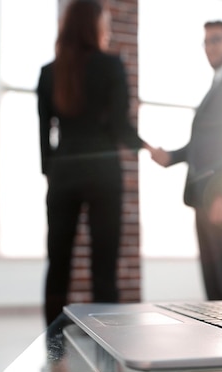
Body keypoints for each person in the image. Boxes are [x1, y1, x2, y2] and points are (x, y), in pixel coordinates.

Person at [37, 0, 153, 327]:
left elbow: (44, 138)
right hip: (104, 175)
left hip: (64, 173)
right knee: (104, 265)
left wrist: (53, 174)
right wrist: (148, 148)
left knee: (58, 262)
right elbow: (121, 128)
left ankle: (53, 346)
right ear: (95, 25)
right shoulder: (111, 66)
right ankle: (107, 348)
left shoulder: (49, 72)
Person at [151, 21, 222, 301]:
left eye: (217, 39)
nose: (211, 46)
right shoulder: (213, 90)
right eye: (207, 41)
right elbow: (201, 145)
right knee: (214, 288)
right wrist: (171, 157)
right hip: (202, 196)